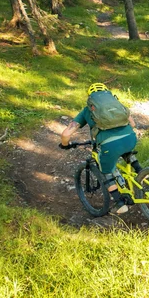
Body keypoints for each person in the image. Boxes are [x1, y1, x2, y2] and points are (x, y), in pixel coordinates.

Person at [60, 83, 140, 211]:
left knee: (105, 171)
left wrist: (64, 145)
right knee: (127, 152)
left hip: (109, 145)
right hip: (130, 138)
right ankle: (144, 176)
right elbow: (133, 124)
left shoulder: (88, 110)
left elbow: (66, 134)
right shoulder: (117, 105)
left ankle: (120, 203)